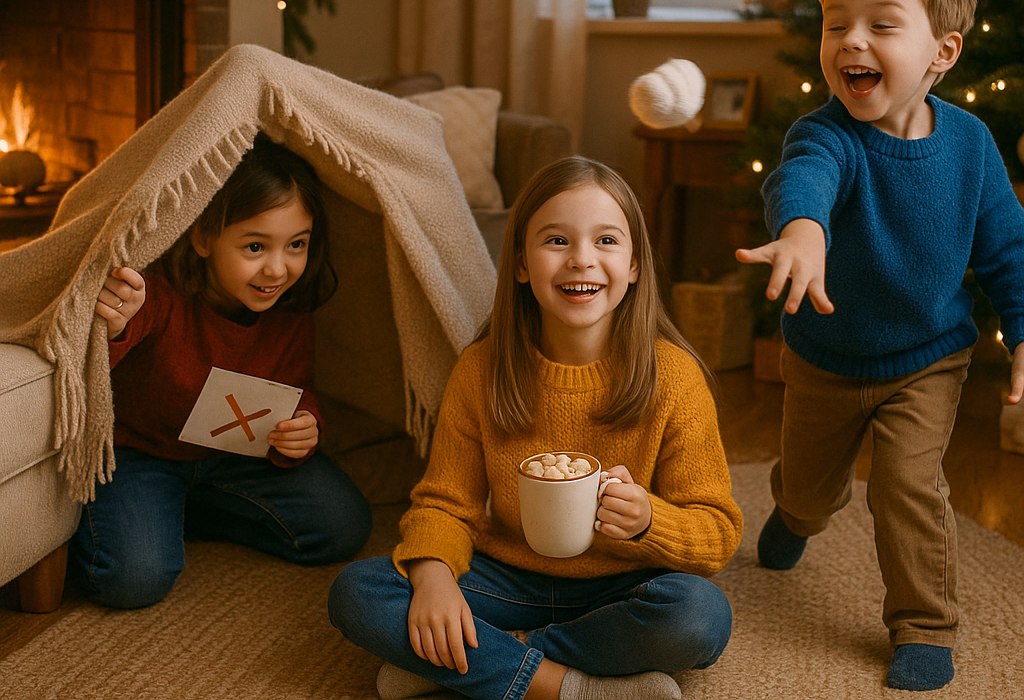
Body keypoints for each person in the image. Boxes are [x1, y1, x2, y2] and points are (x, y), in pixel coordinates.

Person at [329, 156, 742, 700]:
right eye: (556, 241)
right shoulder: (482, 369)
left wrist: (648, 520)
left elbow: (717, 532)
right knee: (358, 591)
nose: (581, 260)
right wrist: (432, 579)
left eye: (606, 241)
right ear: (522, 262)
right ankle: (564, 686)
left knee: (700, 616)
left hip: (621, 586)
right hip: (506, 577)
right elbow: (445, 503)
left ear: (636, 265)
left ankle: (465, 661)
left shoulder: (674, 378)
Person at [736, 0, 1024, 692]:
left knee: (906, 482)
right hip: (826, 357)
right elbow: (802, 181)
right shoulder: (825, 134)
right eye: (836, 24)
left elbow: (1009, 250)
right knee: (809, 487)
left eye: (880, 24)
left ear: (943, 53)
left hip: (927, 356)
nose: (850, 41)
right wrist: (802, 231)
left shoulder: (970, 146)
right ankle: (795, 516)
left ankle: (924, 625)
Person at [70, 134, 373, 609]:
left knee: (342, 525)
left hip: (233, 458)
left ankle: (181, 515)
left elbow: (295, 389)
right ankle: (145, 518)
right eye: (255, 246)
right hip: (140, 455)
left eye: (297, 245)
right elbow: (91, 369)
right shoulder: (159, 293)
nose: (278, 269)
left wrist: (306, 426)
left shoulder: (289, 306)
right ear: (204, 236)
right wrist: (115, 324)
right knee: (133, 580)